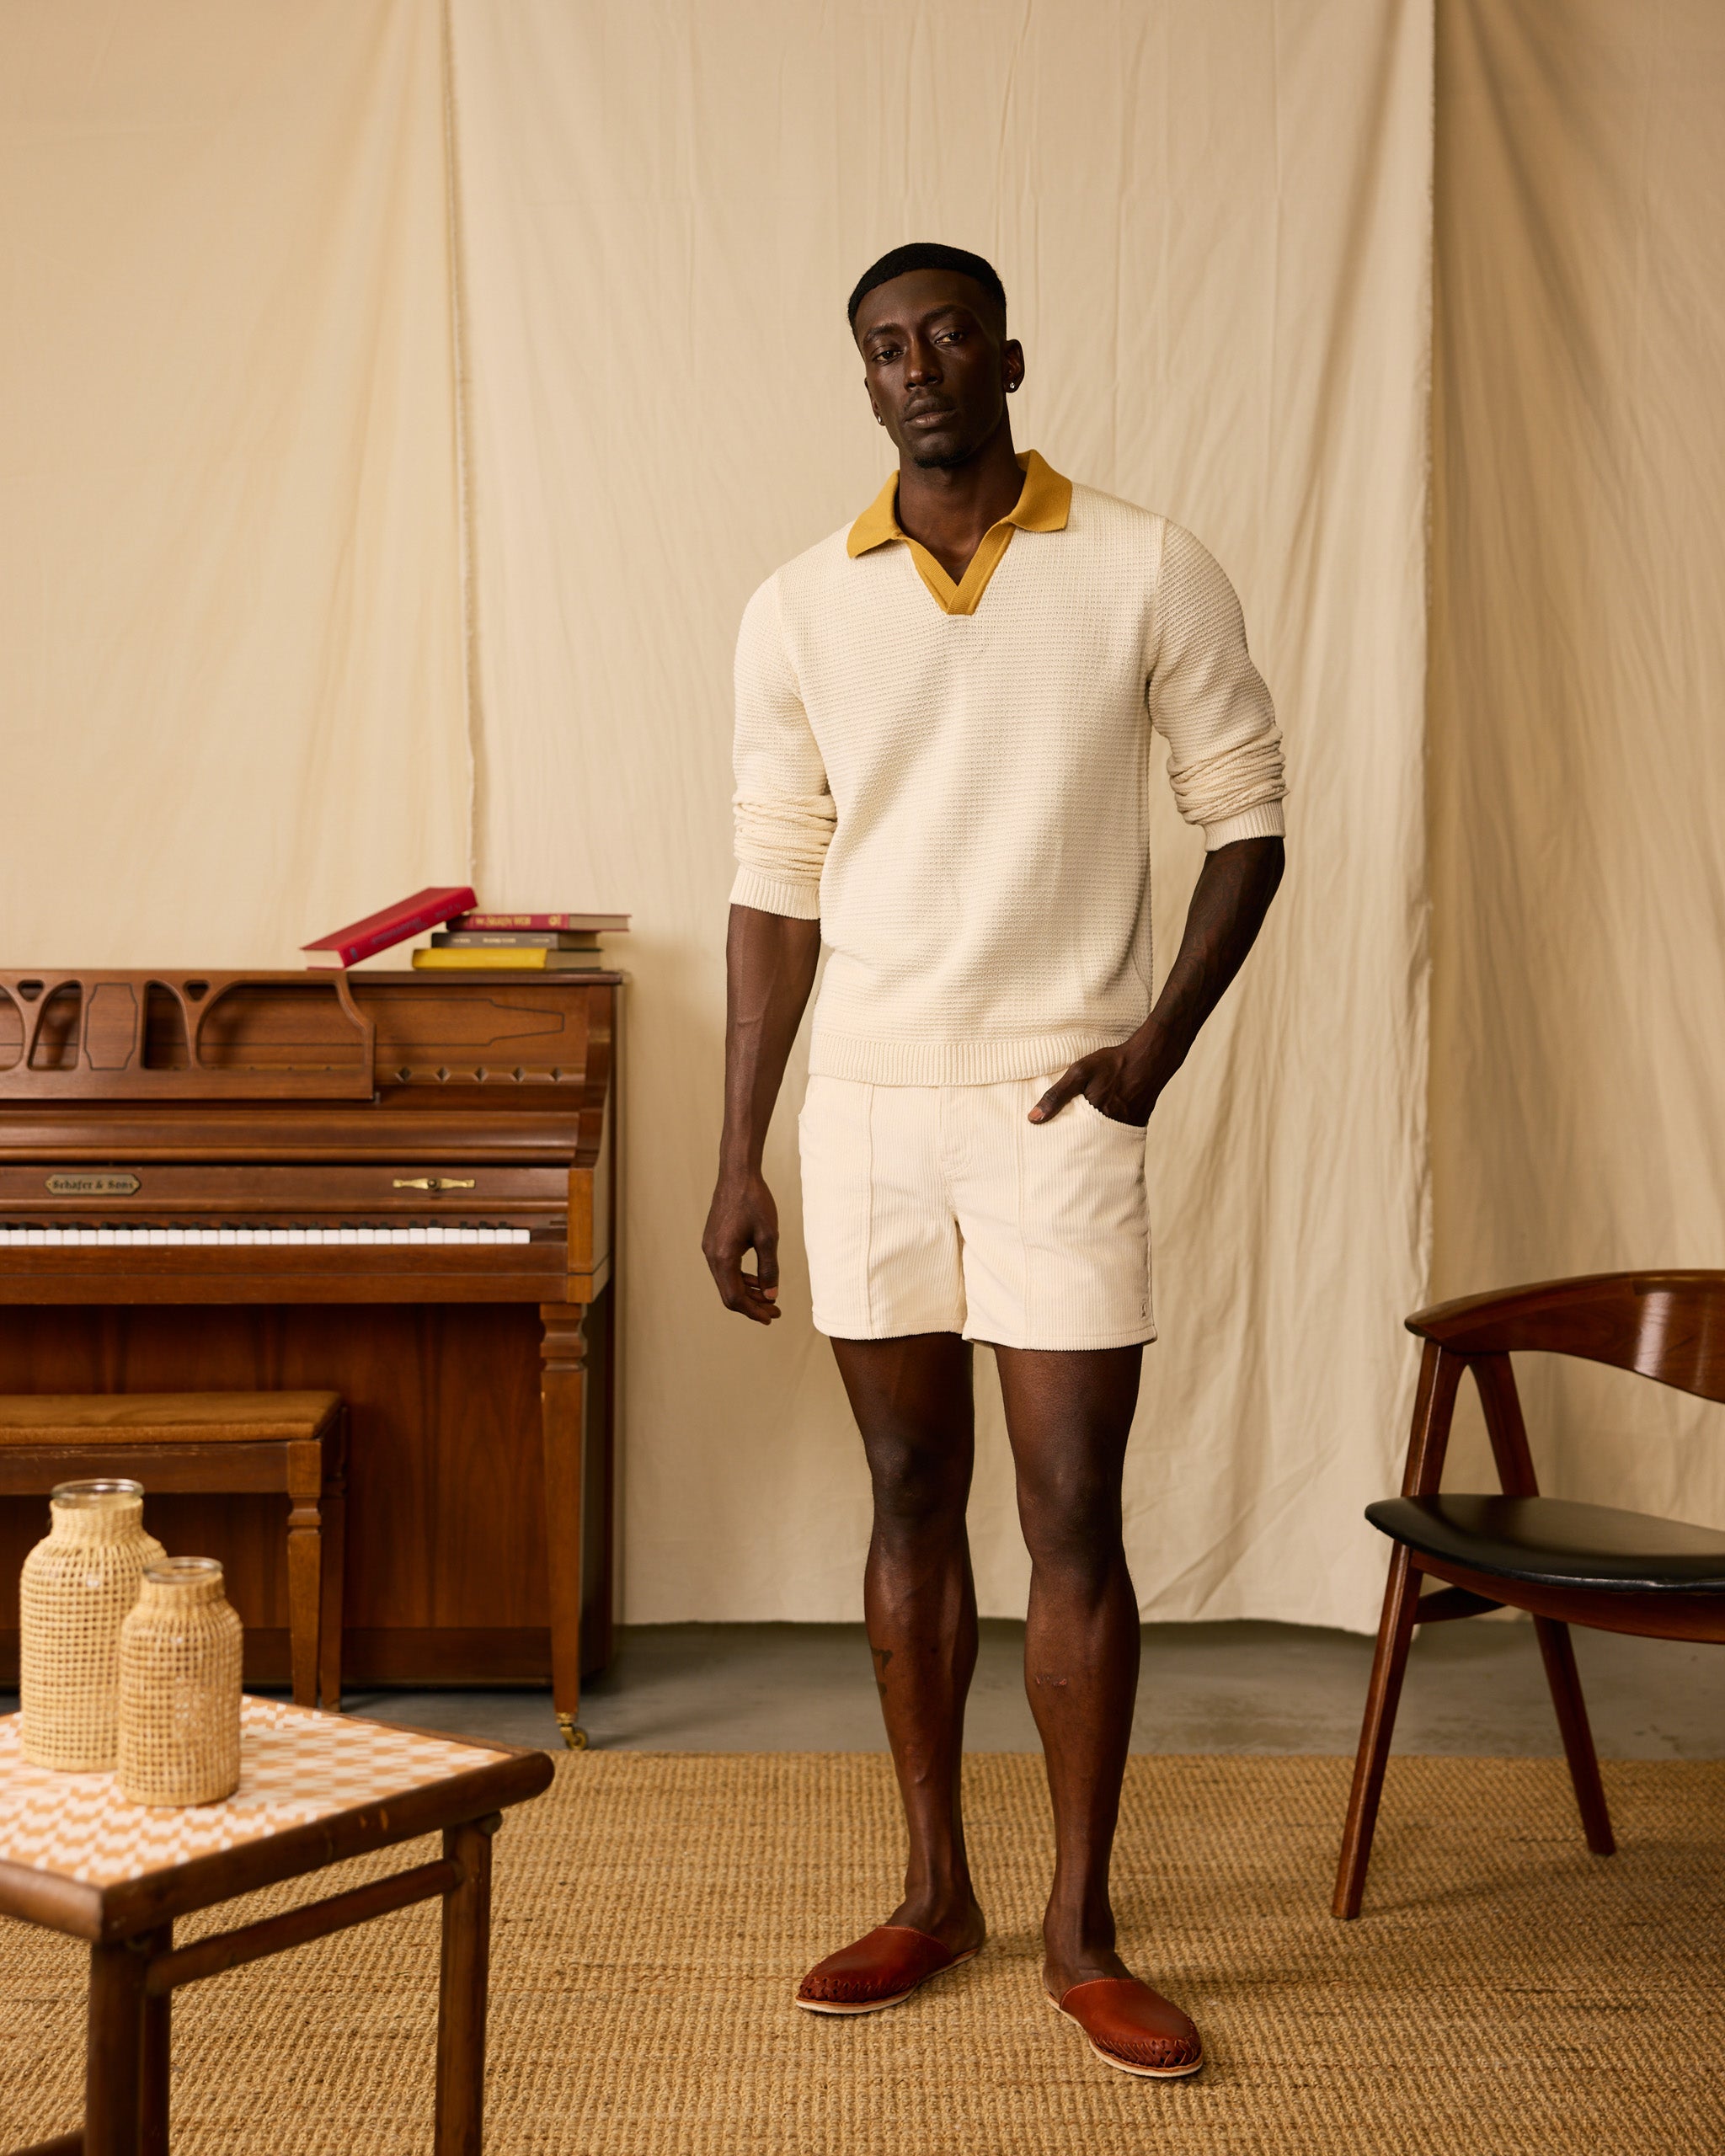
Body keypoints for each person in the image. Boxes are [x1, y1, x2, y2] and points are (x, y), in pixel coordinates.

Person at [702, 240, 1285, 2081]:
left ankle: (1080, 1928)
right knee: (904, 1493)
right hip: (868, 1107)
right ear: (863, 379)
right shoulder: (798, 605)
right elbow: (773, 882)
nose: (919, 366)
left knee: (1071, 1510)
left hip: (1059, 1107)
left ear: (1008, 356)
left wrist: (1148, 1054)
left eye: (948, 333)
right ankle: (932, 1891)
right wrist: (739, 1152)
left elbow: (1248, 818)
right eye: (885, 346)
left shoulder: (1145, 563)